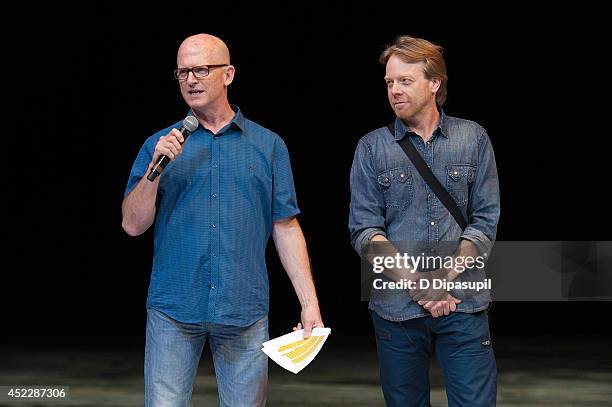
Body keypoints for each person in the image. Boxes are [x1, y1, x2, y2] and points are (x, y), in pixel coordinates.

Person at [122, 33, 323, 407]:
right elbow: (132, 225)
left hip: (243, 310)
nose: (191, 80)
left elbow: (285, 226)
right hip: (174, 309)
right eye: (183, 73)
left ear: (228, 74)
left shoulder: (268, 146)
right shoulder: (160, 145)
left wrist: (308, 303)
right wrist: (154, 171)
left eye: (201, 69)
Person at [349, 35, 500, 406]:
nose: (394, 91)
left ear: (434, 83)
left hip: (462, 303)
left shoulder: (473, 138)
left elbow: (484, 221)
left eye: (405, 81)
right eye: (389, 82)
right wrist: (418, 284)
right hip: (395, 310)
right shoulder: (372, 147)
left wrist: (443, 280)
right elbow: (365, 231)